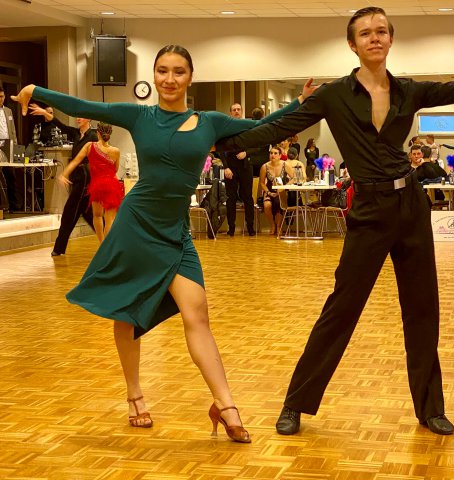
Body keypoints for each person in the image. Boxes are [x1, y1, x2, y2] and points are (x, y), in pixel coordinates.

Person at [12, 45, 314, 442]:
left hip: (175, 232)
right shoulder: (139, 116)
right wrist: (36, 90)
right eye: (162, 71)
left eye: (178, 72)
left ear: (190, 77)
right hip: (136, 226)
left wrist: (299, 103)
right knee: (127, 311)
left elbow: (264, 127)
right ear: (154, 76)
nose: (169, 79)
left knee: (197, 313)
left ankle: (224, 404)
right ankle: (135, 395)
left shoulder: (210, 122)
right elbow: (84, 105)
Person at [217, 7, 454, 436]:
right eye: (365, 33)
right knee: (342, 308)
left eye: (382, 31)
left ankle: (430, 408)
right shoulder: (333, 95)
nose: (375, 38)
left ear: (391, 39)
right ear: (352, 45)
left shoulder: (409, 91)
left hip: (410, 205)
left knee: (423, 308)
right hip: (369, 209)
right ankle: (296, 403)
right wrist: (216, 140)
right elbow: (278, 128)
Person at [29, 104, 97, 256]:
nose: (78, 118)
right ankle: (111, 241)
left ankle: (58, 248)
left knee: (69, 211)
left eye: (81, 116)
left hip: (85, 177)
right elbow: (60, 125)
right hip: (77, 176)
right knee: (87, 213)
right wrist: (44, 113)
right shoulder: (76, 134)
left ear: (89, 119)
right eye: (77, 116)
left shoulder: (93, 136)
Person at [58, 122, 123, 243]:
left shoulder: (89, 146)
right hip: (112, 185)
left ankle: (101, 244)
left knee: (97, 216)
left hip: (97, 185)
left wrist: (64, 174)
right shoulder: (116, 151)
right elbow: (115, 170)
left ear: (98, 133)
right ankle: (107, 247)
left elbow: (75, 161)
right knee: (109, 219)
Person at [220, 103, 256, 236]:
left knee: (247, 197)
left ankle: (250, 227)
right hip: (231, 168)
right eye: (234, 110)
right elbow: (220, 149)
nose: (236, 111)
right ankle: (231, 228)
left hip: (246, 167)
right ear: (230, 112)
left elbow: (257, 145)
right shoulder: (225, 129)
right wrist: (225, 167)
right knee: (231, 198)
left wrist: (246, 153)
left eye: (238, 109)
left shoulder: (248, 126)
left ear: (242, 111)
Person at [258, 146, 294, 235]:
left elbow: (294, 178)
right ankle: (272, 224)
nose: (273, 155)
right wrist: (268, 192)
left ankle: (279, 226)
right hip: (269, 190)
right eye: (271, 153)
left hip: (281, 190)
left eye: (275, 153)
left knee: (279, 203)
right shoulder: (265, 166)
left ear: (280, 155)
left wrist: (285, 187)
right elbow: (262, 183)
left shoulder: (285, 164)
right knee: (267, 205)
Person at [0, 86, 17, 212]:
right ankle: (2, 205)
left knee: (11, 175)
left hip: (8, 145)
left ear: (5, 97)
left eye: (1, 96)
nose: (0, 99)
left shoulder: (8, 111)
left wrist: (15, 145)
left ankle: (13, 205)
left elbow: (13, 130)